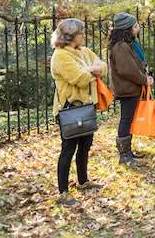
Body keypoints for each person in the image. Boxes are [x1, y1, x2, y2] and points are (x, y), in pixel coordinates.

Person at [50, 18, 108, 205]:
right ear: (70, 36)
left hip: (86, 107)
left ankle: (82, 182)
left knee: (85, 145)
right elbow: (80, 78)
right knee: (68, 150)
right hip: (69, 109)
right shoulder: (61, 55)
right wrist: (91, 71)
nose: (84, 35)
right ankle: (63, 191)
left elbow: (104, 68)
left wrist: (89, 69)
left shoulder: (83, 51)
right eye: (81, 33)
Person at [107, 12, 154, 165]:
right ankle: (124, 155)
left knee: (129, 119)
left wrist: (146, 77)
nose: (138, 29)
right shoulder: (120, 47)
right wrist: (143, 79)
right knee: (126, 120)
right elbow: (127, 69)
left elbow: (136, 65)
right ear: (126, 29)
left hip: (131, 88)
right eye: (135, 26)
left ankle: (128, 152)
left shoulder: (127, 44)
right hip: (127, 89)